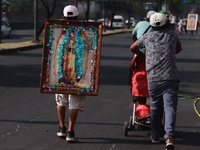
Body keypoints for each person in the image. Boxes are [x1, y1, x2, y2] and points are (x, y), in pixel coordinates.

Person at [130, 13, 182, 150]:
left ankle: (155, 134)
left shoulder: (147, 37)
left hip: (153, 78)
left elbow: (132, 47)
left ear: (151, 25)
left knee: (155, 107)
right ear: (165, 23)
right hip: (171, 77)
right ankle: (169, 137)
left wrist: (142, 54)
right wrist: (169, 53)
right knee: (170, 107)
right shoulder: (172, 36)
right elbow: (179, 48)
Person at [55, 5, 86, 143]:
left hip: (63, 71)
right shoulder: (84, 32)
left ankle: (62, 128)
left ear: (63, 17)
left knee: (61, 99)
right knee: (74, 102)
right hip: (77, 73)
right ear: (77, 17)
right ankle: (70, 131)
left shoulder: (57, 31)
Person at [130, 10, 156, 105]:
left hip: (139, 52)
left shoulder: (140, 23)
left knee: (134, 68)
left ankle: (134, 87)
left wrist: (137, 43)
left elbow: (133, 35)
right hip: (152, 54)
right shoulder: (157, 28)